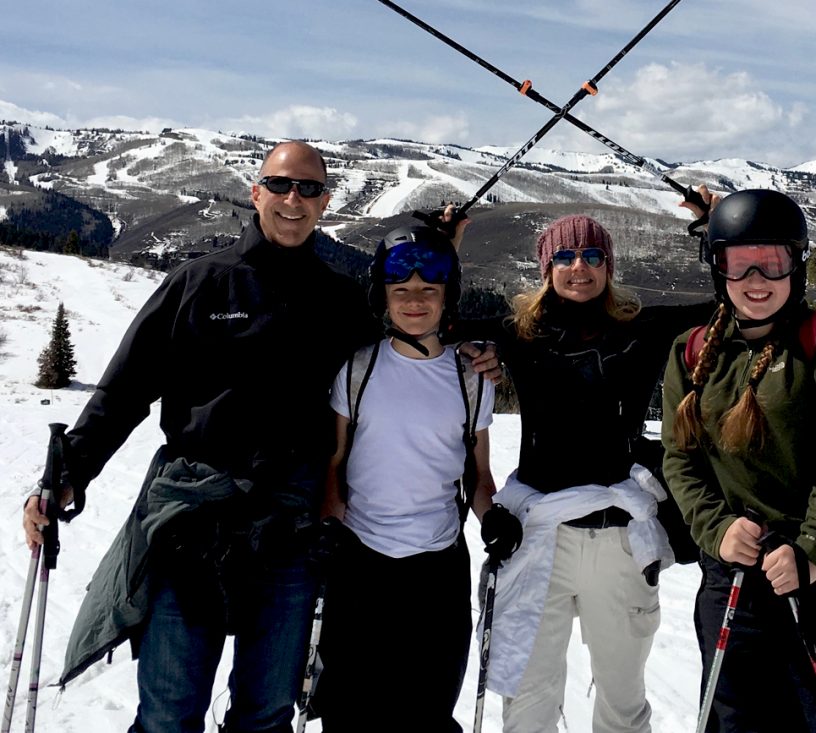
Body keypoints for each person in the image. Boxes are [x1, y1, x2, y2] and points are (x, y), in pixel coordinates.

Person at [23, 140, 376, 733]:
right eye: (282, 186)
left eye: (310, 189)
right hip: (193, 518)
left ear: (326, 202)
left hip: (290, 523)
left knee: (265, 713)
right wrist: (66, 475)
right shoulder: (201, 282)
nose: (295, 200)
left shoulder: (340, 299)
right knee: (169, 713)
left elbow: (392, 373)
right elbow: (126, 389)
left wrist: (472, 350)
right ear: (255, 191)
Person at [661, 189, 816, 732]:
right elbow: (680, 461)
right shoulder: (693, 352)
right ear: (718, 268)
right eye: (738, 262)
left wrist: (814, 549)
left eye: (772, 261)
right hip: (740, 576)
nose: (757, 279)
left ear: (795, 264)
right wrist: (716, 530)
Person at [456, 212, 713, 733]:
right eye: (566, 256)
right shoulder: (518, 333)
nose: (580, 267)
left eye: (593, 256)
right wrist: (442, 249)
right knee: (528, 702)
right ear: (546, 266)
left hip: (617, 539)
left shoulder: (642, 329)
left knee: (622, 704)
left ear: (608, 266)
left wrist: (713, 232)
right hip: (535, 537)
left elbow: (730, 305)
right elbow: (427, 318)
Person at [313, 224, 522, 732]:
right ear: (381, 295)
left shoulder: (470, 376)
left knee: (426, 712)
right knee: (350, 710)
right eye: (401, 291)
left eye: (429, 291)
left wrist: (491, 515)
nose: (414, 301)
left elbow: (477, 474)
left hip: (436, 570)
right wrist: (329, 524)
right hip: (361, 561)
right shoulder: (357, 370)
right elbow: (335, 463)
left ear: (447, 297)